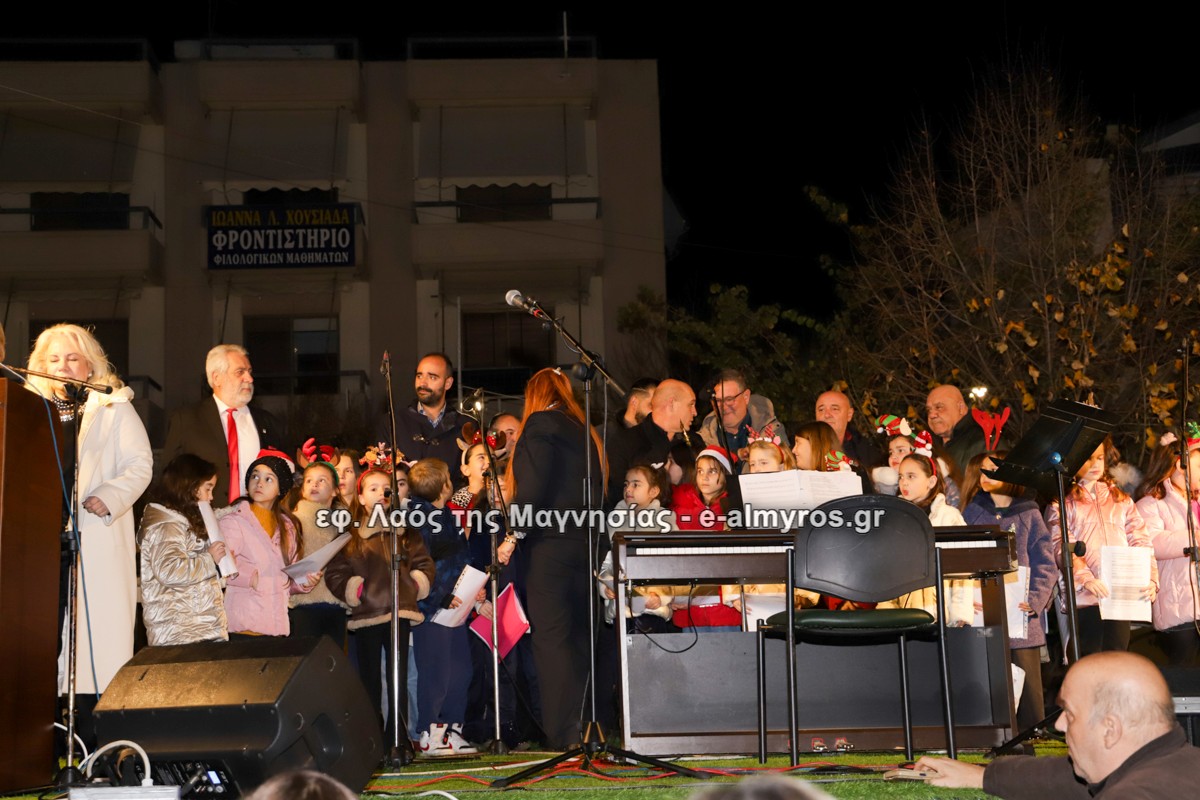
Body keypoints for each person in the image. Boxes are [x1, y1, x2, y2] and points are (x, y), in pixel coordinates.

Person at [27, 323, 153, 700]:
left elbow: (140, 464)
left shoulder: (113, 406)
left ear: (90, 365)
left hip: (90, 537)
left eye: (72, 359)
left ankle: (85, 719)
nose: (62, 367)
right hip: (36, 541)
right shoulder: (28, 410)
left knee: (90, 643)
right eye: (53, 360)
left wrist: (111, 495)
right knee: (40, 634)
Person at [914, 652, 1200, 798]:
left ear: (1110, 730)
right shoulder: (1172, 763)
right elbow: (1064, 780)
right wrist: (984, 776)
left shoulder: (1137, 794)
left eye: (1070, 714)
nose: (1060, 724)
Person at [501, 367, 606, 750]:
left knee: (552, 640)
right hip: (584, 546)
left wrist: (513, 534)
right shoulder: (584, 431)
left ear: (535, 395)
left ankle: (563, 734)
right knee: (579, 639)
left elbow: (533, 486)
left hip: (550, 548)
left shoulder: (541, 423)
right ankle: (586, 729)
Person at [325, 452, 435, 743]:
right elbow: (335, 571)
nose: (380, 493)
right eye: (372, 488)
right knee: (370, 680)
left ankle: (398, 738)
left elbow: (424, 563)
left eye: (386, 489)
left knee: (398, 677)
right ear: (360, 497)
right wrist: (355, 590)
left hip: (400, 611)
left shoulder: (405, 532)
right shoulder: (351, 534)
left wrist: (415, 584)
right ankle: (373, 740)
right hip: (368, 614)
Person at [962, 451, 1056, 729]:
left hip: (1022, 617)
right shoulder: (971, 513)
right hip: (983, 613)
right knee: (988, 683)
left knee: (1029, 694)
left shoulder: (1029, 513)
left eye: (994, 470)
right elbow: (961, 560)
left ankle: (1032, 738)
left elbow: (1046, 564)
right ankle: (992, 738)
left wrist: (1035, 600)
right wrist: (966, 599)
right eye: (982, 470)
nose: (986, 476)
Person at [1045, 438, 1158, 656]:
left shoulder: (1121, 500)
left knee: (1118, 654)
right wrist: (1085, 579)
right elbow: (1061, 545)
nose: (1095, 464)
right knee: (1090, 656)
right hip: (1086, 595)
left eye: (1100, 458)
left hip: (1120, 593)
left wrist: (1150, 578)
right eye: (1088, 459)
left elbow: (1141, 541)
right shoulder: (1063, 503)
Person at [407, 458, 478, 756]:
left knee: (460, 670)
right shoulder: (418, 519)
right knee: (435, 673)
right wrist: (439, 596)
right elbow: (418, 566)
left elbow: (458, 555)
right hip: (432, 609)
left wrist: (473, 588)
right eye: (449, 476)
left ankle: (452, 729)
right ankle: (429, 732)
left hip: (457, 603)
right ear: (443, 486)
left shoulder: (445, 514)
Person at [164, 344, 288, 506]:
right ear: (217, 378)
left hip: (256, 517)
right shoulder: (186, 419)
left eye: (249, 372)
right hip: (203, 516)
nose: (249, 379)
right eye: (240, 372)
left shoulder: (268, 422)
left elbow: (284, 475)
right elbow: (169, 477)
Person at [221, 450, 315, 637]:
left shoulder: (289, 527)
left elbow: (286, 581)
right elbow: (221, 565)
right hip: (243, 627)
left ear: (281, 489)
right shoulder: (233, 521)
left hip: (277, 628)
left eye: (268, 479)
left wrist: (304, 581)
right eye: (255, 476)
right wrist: (251, 577)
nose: (259, 483)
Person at [138, 454, 227, 646]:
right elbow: (169, 571)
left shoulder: (181, 522)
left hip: (196, 628)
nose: (211, 497)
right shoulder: (166, 525)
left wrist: (221, 567)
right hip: (180, 632)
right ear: (191, 487)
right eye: (208, 488)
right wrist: (210, 559)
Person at [1135, 427, 1200, 665]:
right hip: (1179, 606)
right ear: (1180, 466)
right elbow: (1151, 542)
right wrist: (1195, 538)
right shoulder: (1151, 503)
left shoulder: (1196, 501)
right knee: (1185, 674)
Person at [379, 353, 471, 486]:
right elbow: (382, 475)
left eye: (432, 377)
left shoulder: (466, 426)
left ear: (448, 383)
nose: (422, 383)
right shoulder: (393, 422)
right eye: (419, 376)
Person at [606, 378, 696, 505]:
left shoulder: (694, 442)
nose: (695, 412)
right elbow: (617, 497)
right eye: (691, 405)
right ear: (672, 403)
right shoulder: (624, 443)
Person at [287, 454, 347, 645]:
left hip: (336, 606)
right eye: (309, 480)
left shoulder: (343, 524)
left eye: (322, 480)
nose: (314, 484)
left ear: (335, 490)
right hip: (303, 604)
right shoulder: (292, 521)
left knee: (333, 660)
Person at [698, 370, 787, 469]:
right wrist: (738, 454)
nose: (723, 407)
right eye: (718, 401)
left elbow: (787, 466)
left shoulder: (771, 431)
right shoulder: (703, 439)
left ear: (746, 397)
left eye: (729, 399)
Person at [925, 384, 1003, 475]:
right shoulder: (929, 447)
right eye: (928, 410)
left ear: (960, 408)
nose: (931, 415)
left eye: (939, 407)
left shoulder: (987, 442)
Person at [815, 389, 883, 469]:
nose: (827, 415)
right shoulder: (804, 447)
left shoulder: (864, 452)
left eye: (834, 409)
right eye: (821, 410)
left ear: (849, 414)